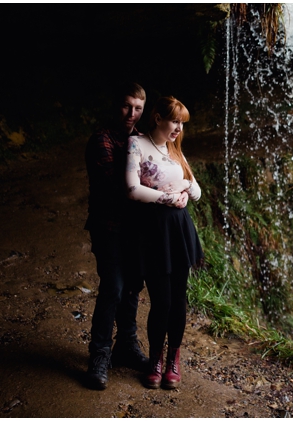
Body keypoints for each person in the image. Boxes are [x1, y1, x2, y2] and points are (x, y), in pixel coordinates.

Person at [124, 95, 202, 390]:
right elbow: (132, 189)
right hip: (152, 232)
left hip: (179, 232)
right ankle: (155, 359)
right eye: (174, 122)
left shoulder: (175, 151)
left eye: (182, 124)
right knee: (161, 301)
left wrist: (183, 185)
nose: (178, 128)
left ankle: (173, 359)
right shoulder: (137, 144)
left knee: (178, 300)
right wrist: (168, 196)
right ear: (157, 118)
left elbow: (196, 192)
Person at [83, 82, 151, 390]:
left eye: (138, 108)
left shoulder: (142, 139)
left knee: (133, 286)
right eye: (127, 106)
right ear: (116, 105)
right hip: (108, 226)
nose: (131, 114)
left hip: (136, 229)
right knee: (114, 286)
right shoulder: (102, 140)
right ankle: (99, 355)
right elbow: (118, 187)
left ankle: (126, 345)